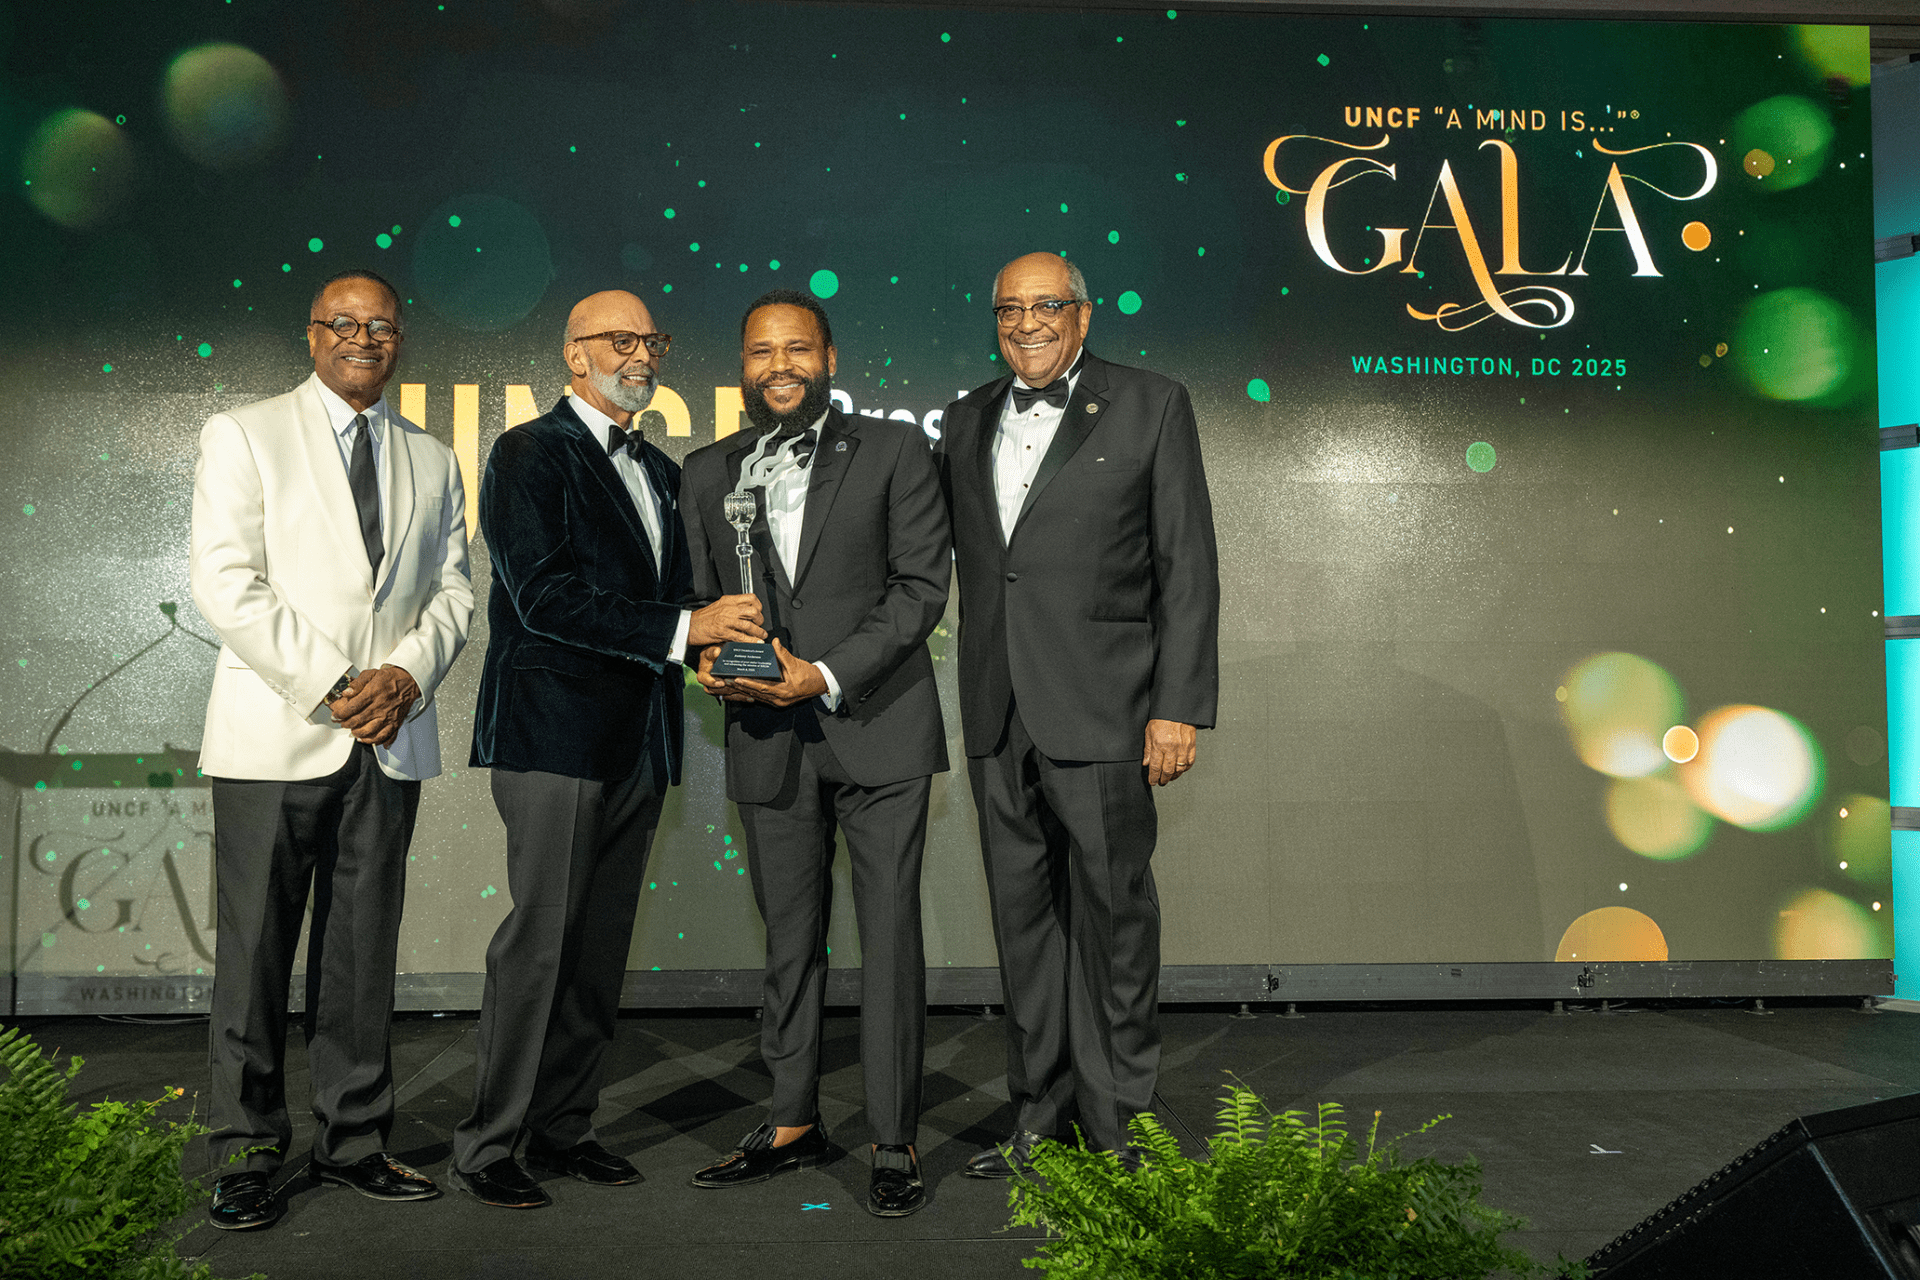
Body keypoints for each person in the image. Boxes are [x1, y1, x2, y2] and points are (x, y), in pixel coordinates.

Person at [449, 290, 765, 1209]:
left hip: (641, 739)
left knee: (595, 952)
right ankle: (489, 1144)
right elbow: (543, 596)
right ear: (574, 354)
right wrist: (686, 631)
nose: (641, 355)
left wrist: (716, 652)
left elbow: (680, 607)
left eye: (651, 340)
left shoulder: (662, 471)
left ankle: (564, 1127)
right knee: (539, 946)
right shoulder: (526, 453)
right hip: (552, 734)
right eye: (620, 339)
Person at [191, 269, 474, 1230]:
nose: (363, 338)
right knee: (256, 954)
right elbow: (226, 582)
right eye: (343, 324)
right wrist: (336, 683)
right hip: (276, 736)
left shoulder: (433, 456)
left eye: (381, 325)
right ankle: (244, 1152)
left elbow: (455, 590)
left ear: (400, 341)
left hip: (390, 738)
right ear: (312, 336)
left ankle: (354, 1141)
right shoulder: (245, 433)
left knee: (361, 956)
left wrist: (405, 676)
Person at [937, 252, 1219, 1173]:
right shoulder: (966, 418)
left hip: (1106, 709)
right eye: (1009, 308)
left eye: (1047, 305)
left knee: (1113, 924)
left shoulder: (1151, 403)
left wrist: (1177, 707)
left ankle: (1121, 1125)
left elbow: (1186, 565)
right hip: (997, 712)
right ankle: (1040, 1117)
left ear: (1083, 316)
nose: (1027, 323)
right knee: (1025, 931)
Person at [679, 289, 950, 1217]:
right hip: (765, 737)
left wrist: (823, 675)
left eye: (797, 348)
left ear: (830, 358)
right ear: (743, 367)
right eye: (762, 352)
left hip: (878, 727)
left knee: (889, 942)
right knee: (788, 944)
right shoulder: (707, 470)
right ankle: (792, 1121)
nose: (780, 366)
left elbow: (920, 589)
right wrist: (707, 658)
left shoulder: (895, 450)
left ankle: (893, 1137)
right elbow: (700, 602)